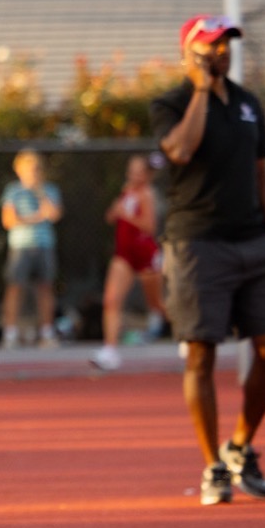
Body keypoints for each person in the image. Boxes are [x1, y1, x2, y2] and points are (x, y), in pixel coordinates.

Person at [152, 15, 265, 506]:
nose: (221, 53)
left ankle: (240, 445)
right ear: (188, 53)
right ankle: (213, 465)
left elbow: (260, 169)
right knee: (200, 353)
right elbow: (180, 150)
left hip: (255, 241)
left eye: (226, 44)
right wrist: (201, 90)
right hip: (198, 243)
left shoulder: (249, 103)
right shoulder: (172, 103)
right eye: (210, 45)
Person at [93, 155, 167, 373]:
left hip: (145, 253)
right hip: (124, 254)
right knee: (112, 299)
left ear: (147, 174)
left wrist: (126, 214)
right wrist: (117, 210)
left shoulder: (147, 194)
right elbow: (111, 217)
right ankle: (110, 350)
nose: (134, 175)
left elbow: (150, 226)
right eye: (131, 171)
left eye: (139, 171)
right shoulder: (126, 191)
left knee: (157, 304)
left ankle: (189, 335)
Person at [0, 149, 63, 348]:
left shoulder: (49, 190)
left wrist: (39, 193)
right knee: (15, 288)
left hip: (44, 245)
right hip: (20, 246)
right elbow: (9, 220)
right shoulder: (13, 191)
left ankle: (47, 333)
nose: (32, 172)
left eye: (35, 168)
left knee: (45, 288)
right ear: (19, 170)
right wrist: (36, 217)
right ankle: (10, 335)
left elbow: (54, 214)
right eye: (27, 168)